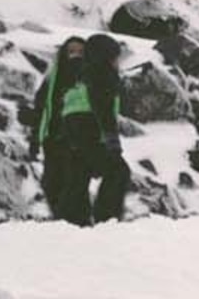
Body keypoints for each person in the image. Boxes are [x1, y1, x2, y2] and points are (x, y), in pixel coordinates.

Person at [30, 31, 131, 227]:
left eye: (80, 50)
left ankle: (72, 223)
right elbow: (43, 109)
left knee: (76, 178)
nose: (75, 54)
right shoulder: (92, 74)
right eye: (71, 50)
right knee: (115, 171)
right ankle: (103, 219)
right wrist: (37, 137)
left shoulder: (84, 75)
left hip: (71, 134)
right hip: (66, 136)